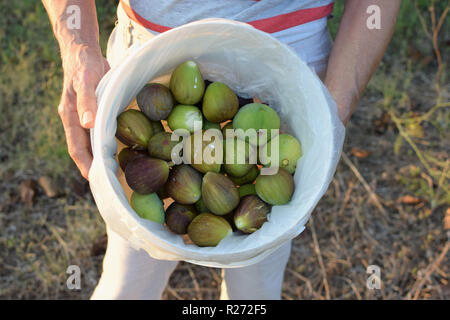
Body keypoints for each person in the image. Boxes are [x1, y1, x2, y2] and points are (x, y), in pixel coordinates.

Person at [42, 0, 401, 299]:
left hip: (288, 72)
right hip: (149, 63)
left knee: (257, 282)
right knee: (129, 275)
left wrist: (330, 113)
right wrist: (78, 47)